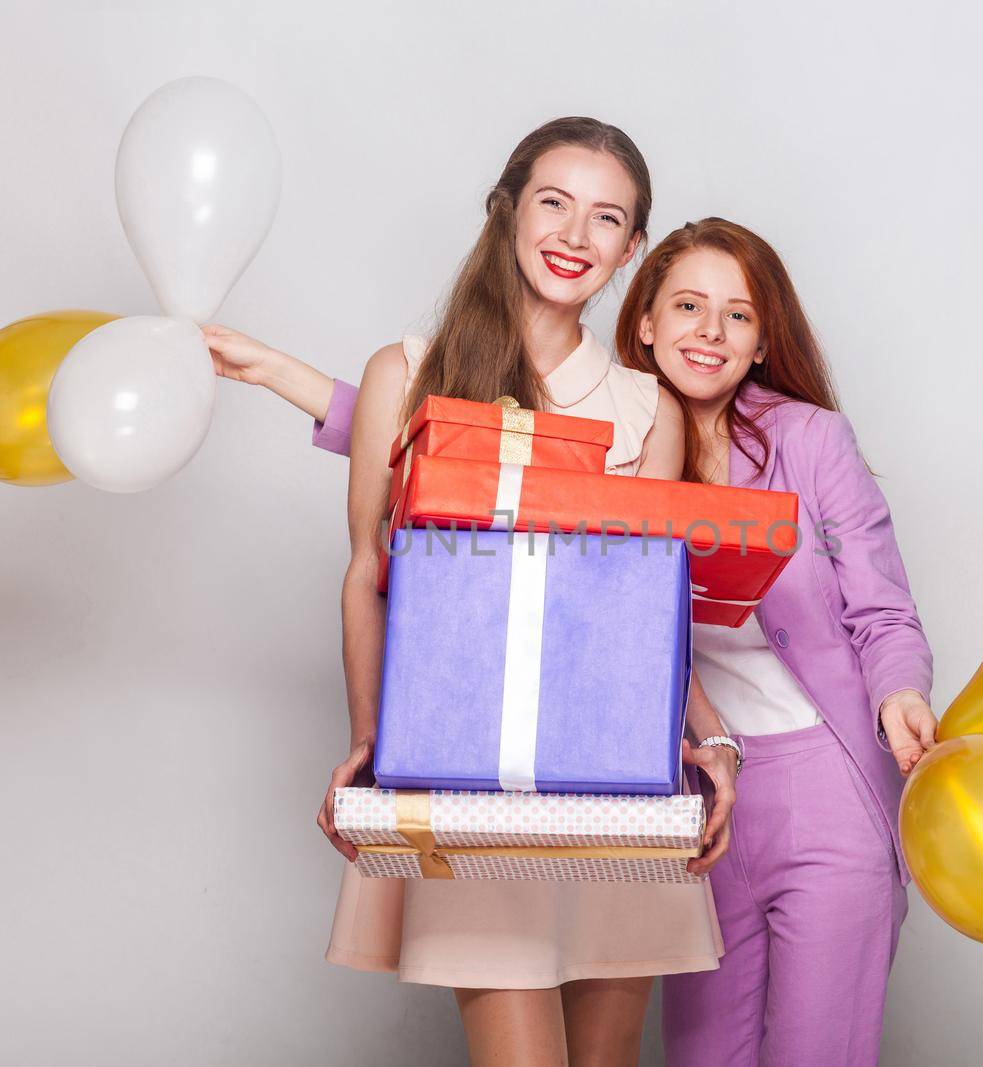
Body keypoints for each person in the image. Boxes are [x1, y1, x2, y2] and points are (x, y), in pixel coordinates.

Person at [205, 118, 740, 1067]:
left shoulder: (647, 408)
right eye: (554, 202)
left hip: (616, 783)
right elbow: (369, 575)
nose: (576, 234)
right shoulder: (404, 376)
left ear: (632, 249)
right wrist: (372, 741)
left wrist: (711, 744)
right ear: (506, 209)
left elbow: (648, 621)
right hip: (462, 778)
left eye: (607, 217)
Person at [615, 218, 937, 1064]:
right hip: (694, 792)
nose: (709, 333)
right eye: (686, 306)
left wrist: (902, 692)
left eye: (738, 316)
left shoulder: (811, 439)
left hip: (824, 787)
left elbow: (883, 607)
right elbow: (484, 453)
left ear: (762, 343)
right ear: (645, 322)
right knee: (701, 1054)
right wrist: (322, 397)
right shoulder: (609, 443)